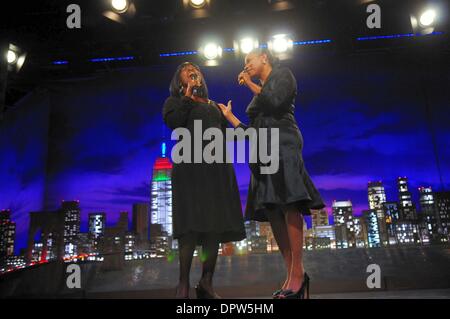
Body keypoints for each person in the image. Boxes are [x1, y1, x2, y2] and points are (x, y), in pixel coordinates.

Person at [218, 48, 325, 299]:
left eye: (248, 61)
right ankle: (291, 275)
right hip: (262, 151)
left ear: (264, 57)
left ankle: (298, 274)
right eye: (244, 64)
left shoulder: (283, 75)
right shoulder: (258, 93)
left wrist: (251, 86)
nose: (245, 66)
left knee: (289, 203)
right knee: (273, 210)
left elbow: (275, 102)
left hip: (283, 142)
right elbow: (251, 132)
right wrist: (230, 116)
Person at [162, 62, 246, 299]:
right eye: (186, 69)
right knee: (190, 226)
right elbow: (174, 123)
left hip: (217, 172)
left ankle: (206, 282)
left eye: (195, 68)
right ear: (179, 80)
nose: (192, 70)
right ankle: (183, 285)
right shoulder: (174, 103)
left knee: (214, 227)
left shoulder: (214, 106)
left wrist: (230, 117)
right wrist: (187, 97)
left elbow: (231, 138)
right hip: (189, 171)